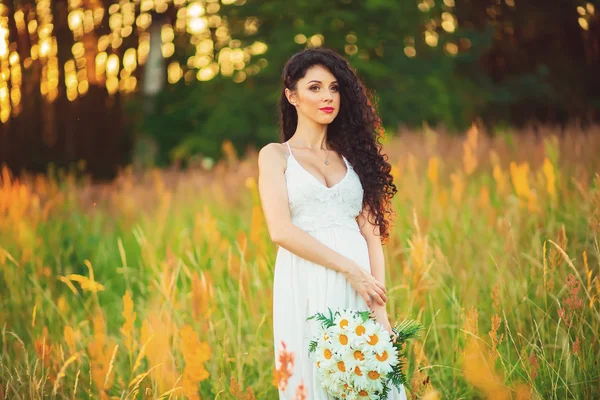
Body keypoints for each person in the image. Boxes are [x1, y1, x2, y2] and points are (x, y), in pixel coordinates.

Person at [257, 48, 406, 399]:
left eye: (334, 88)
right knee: (315, 381)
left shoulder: (354, 157)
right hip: (305, 279)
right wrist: (348, 269)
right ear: (291, 96)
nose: (327, 96)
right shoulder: (276, 155)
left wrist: (379, 306)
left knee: (369, 381)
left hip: (361, 288)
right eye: (315, 87)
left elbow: (372, 236)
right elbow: (280, 230)